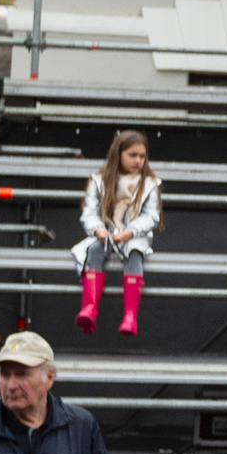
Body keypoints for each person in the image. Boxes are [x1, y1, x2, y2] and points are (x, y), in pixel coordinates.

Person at [73, 130, 161, 336]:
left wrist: (130, 232)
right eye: (132, 155)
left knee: (135, 256)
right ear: (118, 154)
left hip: (134, 237)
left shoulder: (150, 184)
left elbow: (151, 216)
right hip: (107, 232)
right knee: (93, 251)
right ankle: (89, 308)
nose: (138, 160)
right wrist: (98, 229)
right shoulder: (98, 180)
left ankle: (130, 316)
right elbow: (89, 211)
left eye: (142, 156)